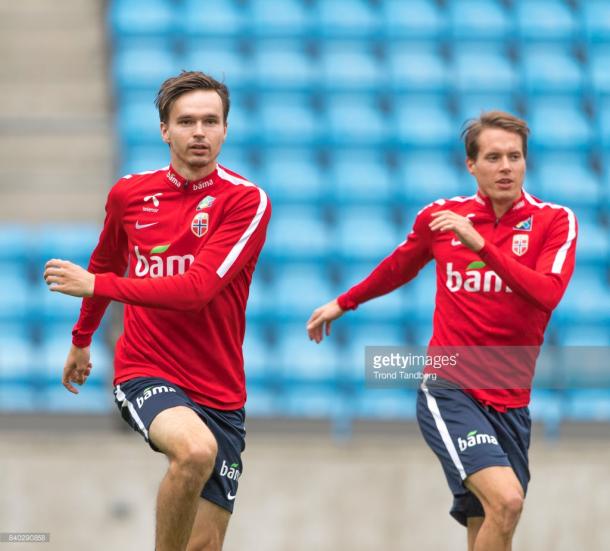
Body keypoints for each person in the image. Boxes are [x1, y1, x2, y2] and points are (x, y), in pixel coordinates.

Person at [306, 111, 577, 551]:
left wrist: (481, 246)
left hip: (512, 399)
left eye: (514, 156)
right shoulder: (442, 217)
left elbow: (546, 294)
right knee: (507, 502)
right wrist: (344, 302)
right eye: (493, 157)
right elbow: (400, 265)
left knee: (491, 521)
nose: (506, 166)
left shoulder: (555, 221)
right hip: (451, 385)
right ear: (471, 165)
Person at [43, 71, 271, 551]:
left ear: (226, 129)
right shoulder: (129, 194)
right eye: (186, 121)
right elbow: (106, 259)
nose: (199, 132)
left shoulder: (246, 201)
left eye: (211, 121)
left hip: (221, 390)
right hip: (146, 369)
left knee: (205, 545)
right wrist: (82, 339)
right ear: (165, 130)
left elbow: (197, 290)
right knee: (193, 451)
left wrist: (98, 285)